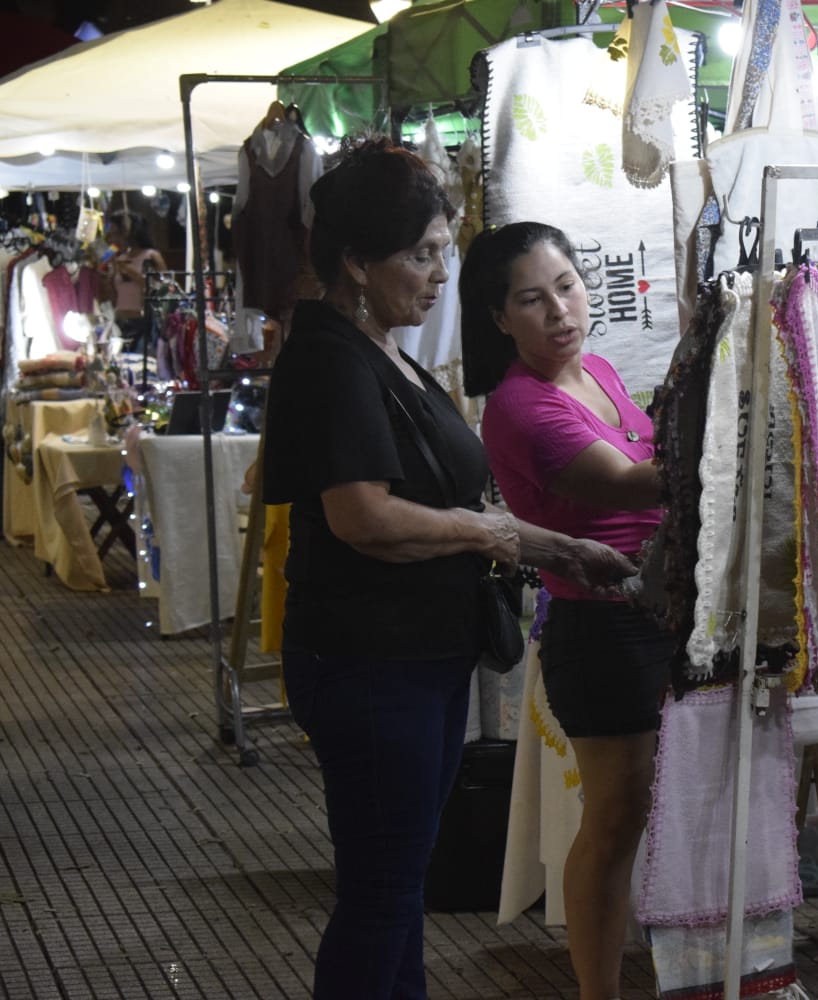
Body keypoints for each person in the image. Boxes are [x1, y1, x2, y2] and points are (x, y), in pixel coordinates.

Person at [261, 140, 636, 1000]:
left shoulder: (380, 350)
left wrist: (563, 549)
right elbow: (363, 517)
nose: (440, 275)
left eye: (442, 250)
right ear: (357, 262)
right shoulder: (333, 359)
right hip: (370, 662)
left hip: (414, 658)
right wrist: (488, 533)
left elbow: (451, 508)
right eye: (421, 254)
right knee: (383, 893)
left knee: (398, 889)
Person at [460, 222, 670, 1000]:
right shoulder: (519, 406)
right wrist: (738, 436)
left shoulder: (601, 372)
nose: (558, 310)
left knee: (637, 813)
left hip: (659, 613)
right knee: (613, 821)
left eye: (567, 286)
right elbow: (629, 482)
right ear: (499, 318)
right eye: (531, 299)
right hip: (602, 629)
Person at [105, 216, 165, 352]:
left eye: (117, 233)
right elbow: (115, 294)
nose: (114, 239)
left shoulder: (151, 256)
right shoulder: (120, 258)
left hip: (142, 322)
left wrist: (128, 270)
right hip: (119, 321)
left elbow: (160, 287)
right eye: (112, 234)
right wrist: (108, 279)